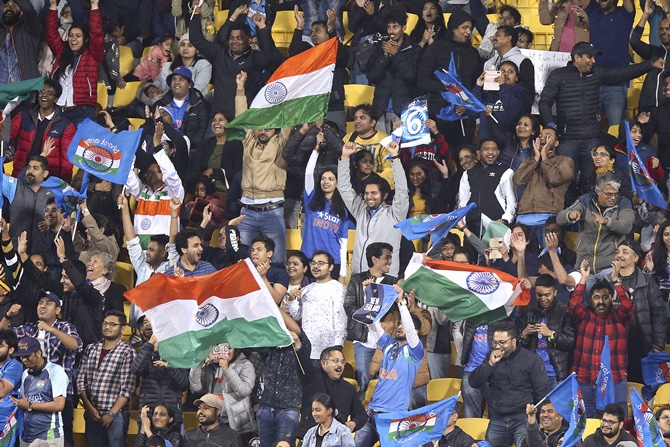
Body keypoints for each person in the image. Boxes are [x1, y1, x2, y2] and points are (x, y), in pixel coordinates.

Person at [539, 41, 664, 190]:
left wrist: (650, 65)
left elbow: (623, 73)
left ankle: (588, 211)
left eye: (594, 57)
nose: (593, 60)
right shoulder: (558, 75)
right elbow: (544, 102)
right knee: (567, 183)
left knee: (590, 181)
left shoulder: (596, 73)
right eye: (589, 57)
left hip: (592, 138)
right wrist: (550, 125)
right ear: (577, 57)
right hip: (568, 139)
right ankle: (567, 213)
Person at [353, 288, 424, 447]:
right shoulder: (389, 345)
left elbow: (410, 330)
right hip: (371, 411)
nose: (400, 327)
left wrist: (401, 303)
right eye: (399, 324)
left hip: (393, 415)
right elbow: (373, 324)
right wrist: (369, 300)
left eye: (403, 325)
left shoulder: (414, 352)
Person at [234, 72, 292, 265]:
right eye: (260, 128)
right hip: (247, 212)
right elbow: (242, 118)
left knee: (275, 261)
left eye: (268, 128)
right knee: (244, 263)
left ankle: (276, 294)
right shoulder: (249, 141)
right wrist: (240, 88)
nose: (263, 131)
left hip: (272, 212)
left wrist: (289, 90)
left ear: (276, 130)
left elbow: (288, 120)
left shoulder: (281, 142)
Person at [568, 260, 633, 417]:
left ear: (612, 298)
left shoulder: (619, 317)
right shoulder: (584, 316)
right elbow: (573, 305)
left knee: (617, 423)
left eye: (605, 297)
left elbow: (628, 306)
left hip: (614, 379)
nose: (601, 301)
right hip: (585, 378)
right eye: (596, 297)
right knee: (585, 425)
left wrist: (616, 279)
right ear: (591, 300)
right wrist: (583, 279)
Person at [469, 321, 550, 447]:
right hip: (497, 418)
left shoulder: (532, 360)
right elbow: (473, 382)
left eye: (502, 342)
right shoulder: (491, 359)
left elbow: (541, 392)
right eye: (495, 342)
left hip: (522, 418)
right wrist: (489, 364)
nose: (498, 347)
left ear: (514, 341)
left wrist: (537, 419)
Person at [189, 7, 279, 120]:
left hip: (242, 119)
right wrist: (196, 12)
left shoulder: (254, 58)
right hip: (218, 119)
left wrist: (262, 27)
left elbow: (270, 55)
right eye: (231, 38)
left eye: (239, 38)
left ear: (248, 40)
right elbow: (196, 40)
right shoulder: (220, 53)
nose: (234, 41)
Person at [339, 140, 408, 277]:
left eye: (374, 193)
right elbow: (344, 188)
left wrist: (395, 158)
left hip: (384, 279)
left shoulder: (395, 215)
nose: (369, 197)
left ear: (384, 195)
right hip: (358, 277)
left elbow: (402, 190)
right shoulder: (360, 211)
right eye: (366, 193)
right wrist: (345, 158)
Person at [416, 10, 482, 148]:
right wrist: (446, 89)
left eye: (470, 28)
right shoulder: (435, 50)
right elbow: (422, 81)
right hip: (438, 115)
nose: (468, 32)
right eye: (464, 27)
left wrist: (467, 106)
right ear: (453, 28)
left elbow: (476, 85)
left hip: (464, 117)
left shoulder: (473, 54)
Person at [557, 172, 634, 286]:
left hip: (610, 266)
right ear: (598, 191)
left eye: (615, 194)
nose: (613, 198)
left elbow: (626, 226)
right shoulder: (586, 200)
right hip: (585, 267)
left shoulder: (623, 203)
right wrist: (570, 215)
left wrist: (607, 221)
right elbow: (559, 218)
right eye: (608, 194)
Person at [606, 240, 666, 383]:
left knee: (639, 386)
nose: (620, 255)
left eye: (625, 252)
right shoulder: (606, 282)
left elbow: (659, 314)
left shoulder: (647, 282)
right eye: (617, 252)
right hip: (613, 346)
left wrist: (657, 344)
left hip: (641, 345)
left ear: (635, 258)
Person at [344, 242, 397, 398]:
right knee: (364, 382)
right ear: (375, 259)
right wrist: (369, 313)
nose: (390, 262)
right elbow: (348, 306)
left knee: (386, 382)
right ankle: (363, 418)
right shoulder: (357, 280)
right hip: (364, 340)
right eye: (387, 257)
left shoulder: (393, 283)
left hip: (386, 341)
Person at [77, 310, 136, 447]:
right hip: (92, 413)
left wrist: (111, 413)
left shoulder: (127, 352)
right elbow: (80, 380)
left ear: (122, 328)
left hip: (116, 415)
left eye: (112, 324)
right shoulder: (91, 349)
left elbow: (127, 388)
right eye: (105, 323)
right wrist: (88, 406)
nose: (107, 327)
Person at [118, 194, 176, 326]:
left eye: (151, 250)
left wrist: (173, 213)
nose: (147, 253)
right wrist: (125, 208)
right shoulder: (142, 266)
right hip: (138, 328)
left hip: (161, 328)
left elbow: (172, 242)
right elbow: (131, 240)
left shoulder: (170, 269)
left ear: (162, 253)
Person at [255, 311, 311, 447]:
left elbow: (299, 332)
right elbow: (254, 340)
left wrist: (273, 307)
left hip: (289, 410)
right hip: (265, 409)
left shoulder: (302, 344)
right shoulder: (270, 347)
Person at [289, 10, 348, 130]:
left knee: (337, 142)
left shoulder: (337, 50)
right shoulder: (308, 51)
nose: (313, 34)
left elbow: (341, 55)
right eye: (311, 32)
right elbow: (293, 53)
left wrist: (332, 30)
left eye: (318, 31)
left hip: (333, 107)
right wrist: (299, 26)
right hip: (312, 106)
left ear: (327, 34)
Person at [46, 0, 103, 124]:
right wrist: (53, 6)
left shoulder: (92, 55)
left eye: (78, 36)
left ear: (86, 39)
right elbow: (51, 34)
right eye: (71, 35)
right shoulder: (62, 53)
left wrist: (94, 6)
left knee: (78, 144)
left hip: (82, 112)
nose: (73, 39)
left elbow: (97, 34)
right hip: (58, 110)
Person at [514, 127, 574, 242]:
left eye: (548, 136)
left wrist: (544, 157)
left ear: (556, 143)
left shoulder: (564, 161)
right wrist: (536, 158)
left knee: (546, 257)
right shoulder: (530, 161)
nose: (543, 138)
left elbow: (555, 179)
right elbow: (518, 181)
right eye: (540, 135)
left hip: (548, 218)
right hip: (524, 217)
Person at [516, 274, 577, 389]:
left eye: (547, 295)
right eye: (539, 295)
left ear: (555, 293)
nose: (543, 299)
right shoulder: (529, 311)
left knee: (553, 407)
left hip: (555, 374)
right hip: (532, 373)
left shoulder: (564, 312)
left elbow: (571, 342)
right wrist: (524, 334)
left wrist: (551, 334)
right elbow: (516, 345)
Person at [366, 6, 421, 132]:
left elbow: (412, 76)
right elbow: (372, 77)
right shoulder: (380, 49)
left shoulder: (414, 49)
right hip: (381, 111)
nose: (391, 31)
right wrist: (385, 56)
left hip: (403, 112)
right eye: (389, 27)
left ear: (404, 28)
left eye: (395, 27)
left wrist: (396, 54)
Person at [9, 79, 75, 183]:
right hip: (21, 175)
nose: (44, 95)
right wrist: (5, 114)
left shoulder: (65, 125)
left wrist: (64, 185)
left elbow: (66, 160)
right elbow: (7, 135)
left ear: (56, 99)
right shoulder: (24, 115)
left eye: (49, 93)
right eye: (42, 91)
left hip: (47, 181)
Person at [188, 343, 256, 443]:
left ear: (236, 349)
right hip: (215, 422)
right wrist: (198, 361)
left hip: (238, 424)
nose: (225, 351)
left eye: (229, 348)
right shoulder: (210, 365)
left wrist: (227, 370)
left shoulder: (246, 365)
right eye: (220, 348)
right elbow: (195, 387)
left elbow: (244, 391)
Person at [296, 346, 367, 440]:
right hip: (310, 439)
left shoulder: (349, 389)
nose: (340, 365)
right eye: (336, 361)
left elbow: (361, 414)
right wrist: (298, 343)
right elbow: (303, 360)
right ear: (323, 363)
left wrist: (354, 423)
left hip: (336, 440)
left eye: (342, 362)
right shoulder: (312, 378)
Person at [288, 251, 347, 361]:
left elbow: (341, 320)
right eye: (313, 263)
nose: (315, 267)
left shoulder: (338, 288)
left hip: (328, 350)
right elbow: (297, 316)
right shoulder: (307, 289)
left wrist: (338, 346)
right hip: (307, 348)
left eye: (320, 263)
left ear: (331, 267)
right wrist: (292, 300)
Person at [301, 144, 349, 280]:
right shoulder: (311, 200)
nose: (326, 182)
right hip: (309, 258)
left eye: (330, 179)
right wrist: (316, 149)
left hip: (332, 263)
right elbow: (309, 173)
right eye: (323, 178)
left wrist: (343, 274)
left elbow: (343, 244)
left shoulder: (342, 211)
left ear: (337, 183)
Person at [584, 0, 635, 126]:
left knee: (616, 129)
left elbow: (629, 4)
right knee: (590, 128)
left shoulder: (624, 14)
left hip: (616, 85)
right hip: (593, 83)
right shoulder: (594, 12)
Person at [11, 336, 68, 446]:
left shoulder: (56, 371)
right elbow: (24, 400)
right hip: (26, 436)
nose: (24, 360)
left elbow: (59, 405)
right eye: (21, 357)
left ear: (38, 353)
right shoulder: (26, 373)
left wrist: (29, 405)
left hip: (49, 436)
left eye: (27, 356)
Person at [125, 143, 184, 249]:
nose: (146, 175)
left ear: (162, 174)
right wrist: (130, 150)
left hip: (164, 249)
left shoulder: (174, 193)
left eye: (150, 172)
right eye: (147, 172)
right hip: (142, 248)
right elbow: (128, 176)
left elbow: (171, 174)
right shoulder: (142, 191)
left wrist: (158, 149)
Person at [132, 330, 189, 428]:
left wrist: (169, 365)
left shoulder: (178, 357)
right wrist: (150, 345)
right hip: (148, 413)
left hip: (172, 415)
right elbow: (136, 369)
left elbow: (183, 384)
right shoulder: (147, 354)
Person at [458, 138, 516, 233]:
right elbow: (463, 201)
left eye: (494, 149)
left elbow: (511, 200)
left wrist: (505, 220)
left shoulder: (506, 172)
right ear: (479, 153)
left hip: (495, 225)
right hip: (471, 227)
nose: (490, 152)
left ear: (498, 152)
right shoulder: (468, 174)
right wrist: (463, 221)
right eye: (486, 149)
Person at [473, 61, 533, 146]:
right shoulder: (488, 92)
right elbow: (472, 112)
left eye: (510, 71)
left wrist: (503, 86)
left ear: (516, 78)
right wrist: (478, 86)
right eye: (502, 71)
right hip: (485, 144)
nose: (506, 74)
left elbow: (514, 110)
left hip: (508, 144)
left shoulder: (521, 92)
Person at [631, 1, 670, 112]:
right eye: (661, 29)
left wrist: (667, 9)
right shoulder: (654, 52)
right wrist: (646, 15)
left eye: (668, 28)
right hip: (649, 109)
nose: (664, 32)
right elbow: (634, 41)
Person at [342, 104, 393, 189]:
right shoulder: (348, 138)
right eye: (355, 118)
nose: (357, 121)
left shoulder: (385, 140)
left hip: (378, 188)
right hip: (353, 187)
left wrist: (374, 186)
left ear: (373, 123)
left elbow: (389, 170)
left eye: (362, 118)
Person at [483, 26, 535, 96]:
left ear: (508, 38)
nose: (492, 38)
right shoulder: (488, 63)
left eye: (497, 35)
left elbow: (527, 94)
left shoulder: (523, 61)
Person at [0, 0, 39, 83]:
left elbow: (28, 9)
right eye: (6, 5)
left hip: (24, 89)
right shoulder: (1, 31)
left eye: (14, 5)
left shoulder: (29, 31)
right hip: (2, 89)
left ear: (21, 12)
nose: (9, 8)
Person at [250, 236, 289, 306]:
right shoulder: (248, 272)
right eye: (252, 250)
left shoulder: (280, 273)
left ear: (269, 254)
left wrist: (263, 278)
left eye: (259, 250)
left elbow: (276, 300)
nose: (254, 253)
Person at [0, 330, 22, 440]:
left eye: (1, 346)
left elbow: (1, 391)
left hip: (5, 424)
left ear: (11, 350)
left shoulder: (14, 366)